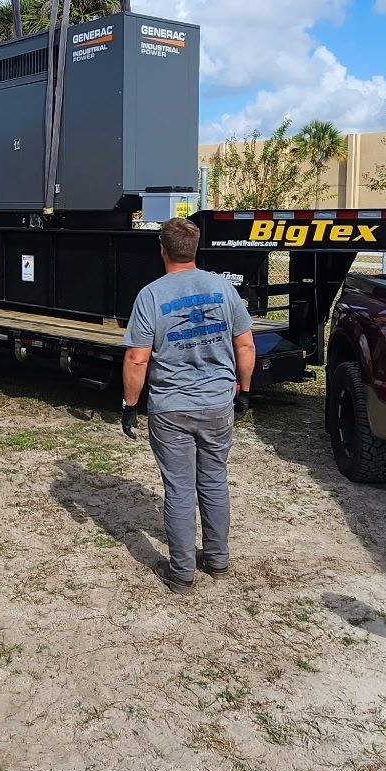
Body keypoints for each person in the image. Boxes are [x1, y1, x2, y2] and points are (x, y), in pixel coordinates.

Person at [121, 216, 255, 589]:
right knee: (214, 480)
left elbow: (137, 358)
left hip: (171, 409)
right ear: (195, 249)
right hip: (217, 405)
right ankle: (217, 560)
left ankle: (180, 574)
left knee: (179, 488)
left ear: (162, 250)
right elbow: (245, 343)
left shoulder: (151, 295)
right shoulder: (224, 290)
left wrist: (130, 404)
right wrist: (243, 390)